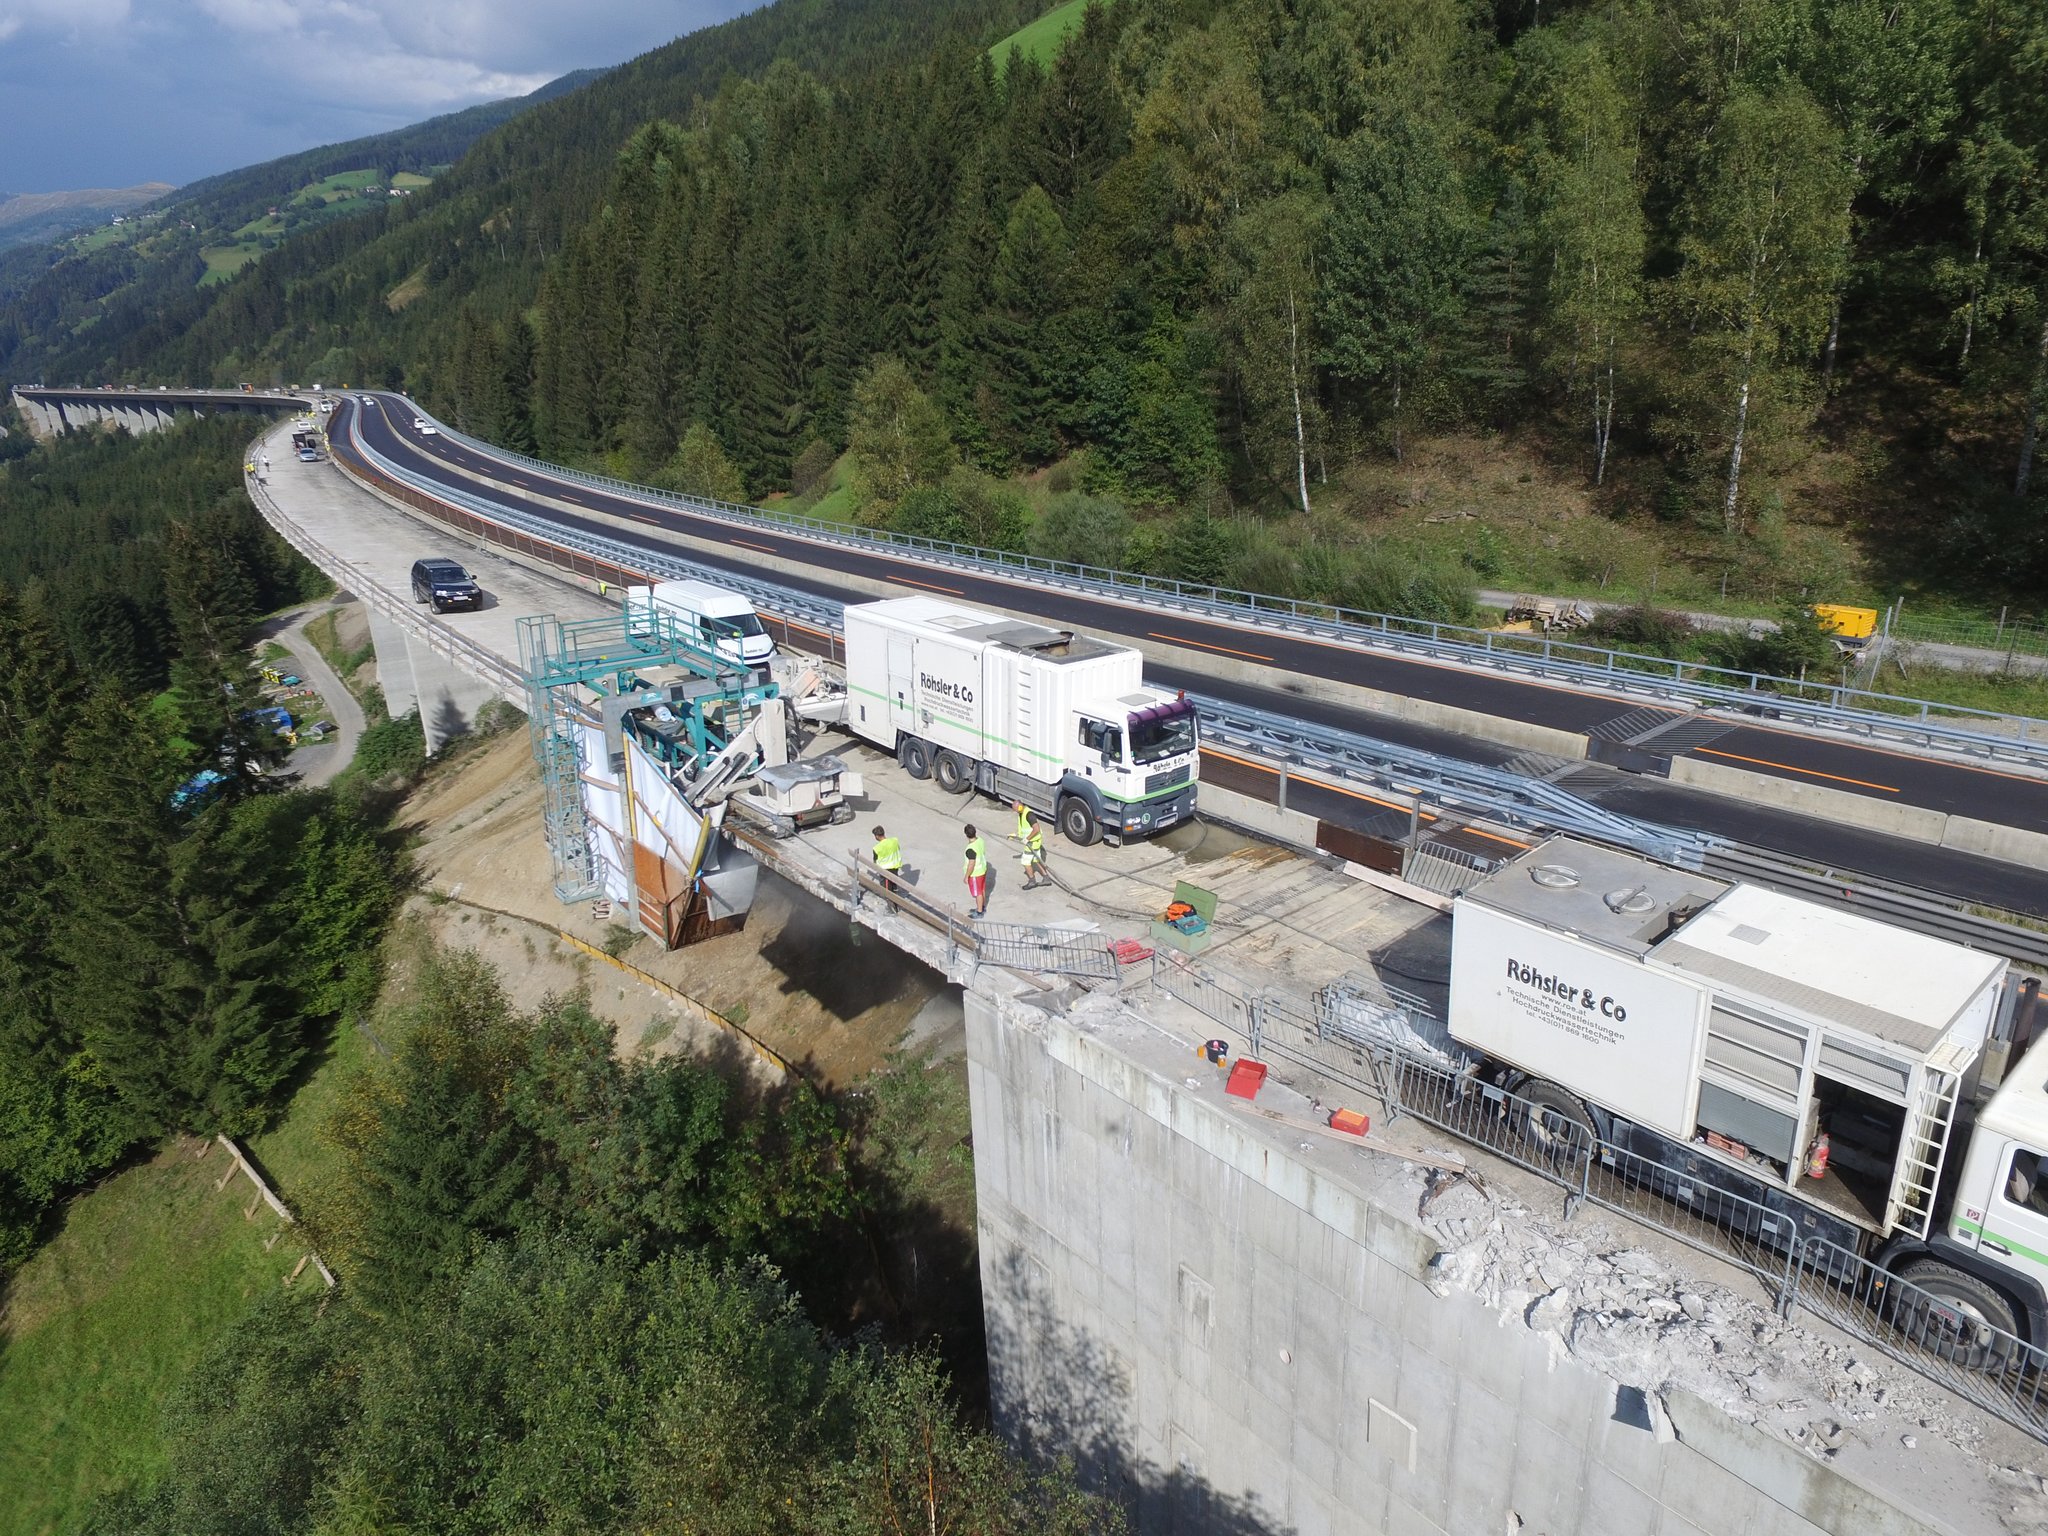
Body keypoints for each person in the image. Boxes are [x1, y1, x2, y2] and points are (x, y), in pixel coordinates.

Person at [1015, 802, 1047, 890]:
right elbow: (1024, 828)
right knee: (1036, 860)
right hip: (1034, 841)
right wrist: (1017, 835)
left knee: (1025, 862)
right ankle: (1046, 878)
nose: (1015, 811)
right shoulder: (1022, 813)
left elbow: (1036, 829)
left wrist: (1027, 839)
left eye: (1016, 809)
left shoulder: (1029, 814)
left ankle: (1032, 881)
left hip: (1032, 842)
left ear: (1020, 807)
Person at [963, 824, 989, 918]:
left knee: (977, 893)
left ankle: (979, 912)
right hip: (983, 870)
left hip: (975, 873)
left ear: (966, 835)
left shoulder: (970, 849)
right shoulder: (980, 840)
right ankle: (981, 906)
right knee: (982, 890)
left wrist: (966, 876)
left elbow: (971, 864)